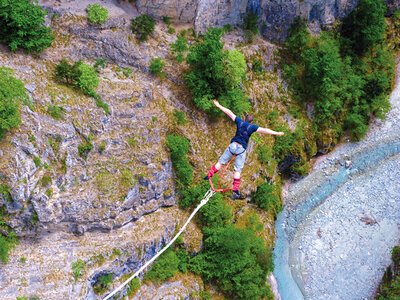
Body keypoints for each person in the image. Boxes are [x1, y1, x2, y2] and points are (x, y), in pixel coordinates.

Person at [204, 99, 284, 199]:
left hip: (232, 146)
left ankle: (209, 175)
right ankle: (235, 189)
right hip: (241, 149)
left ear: (245, 119)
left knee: (220, 162)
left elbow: (229, 112)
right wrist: (277, 133)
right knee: (237, 170)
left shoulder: (239, 122)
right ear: (251, 122)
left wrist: (218, 105)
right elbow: (265, 130)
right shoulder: (252, 127)